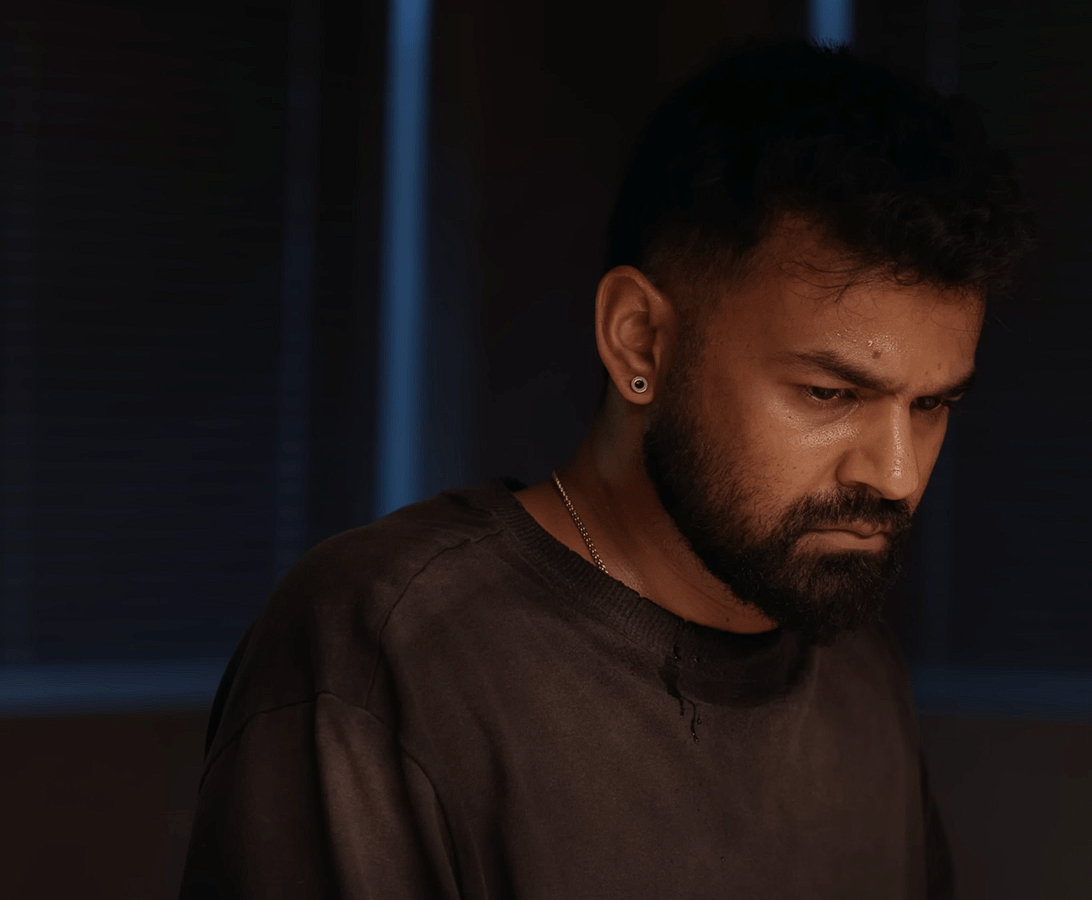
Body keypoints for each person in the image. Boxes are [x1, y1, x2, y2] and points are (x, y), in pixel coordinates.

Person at [180, 39, 1033, 899]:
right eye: (829, 393)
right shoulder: (385, 650)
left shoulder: (857, 668)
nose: (896, 475)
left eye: (932, 405)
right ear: (640, 341)